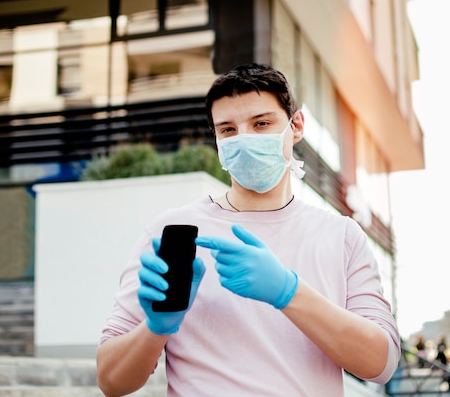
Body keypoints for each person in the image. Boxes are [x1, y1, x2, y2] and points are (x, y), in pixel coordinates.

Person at [96, 63, 400, 396]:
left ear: (296, 125)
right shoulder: (172, 232)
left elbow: (380, 364)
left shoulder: (341, 236)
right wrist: (155, 329)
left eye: (261, 123)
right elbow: (111, 381)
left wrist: (288, 291)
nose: (244, 139)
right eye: (227, 129)